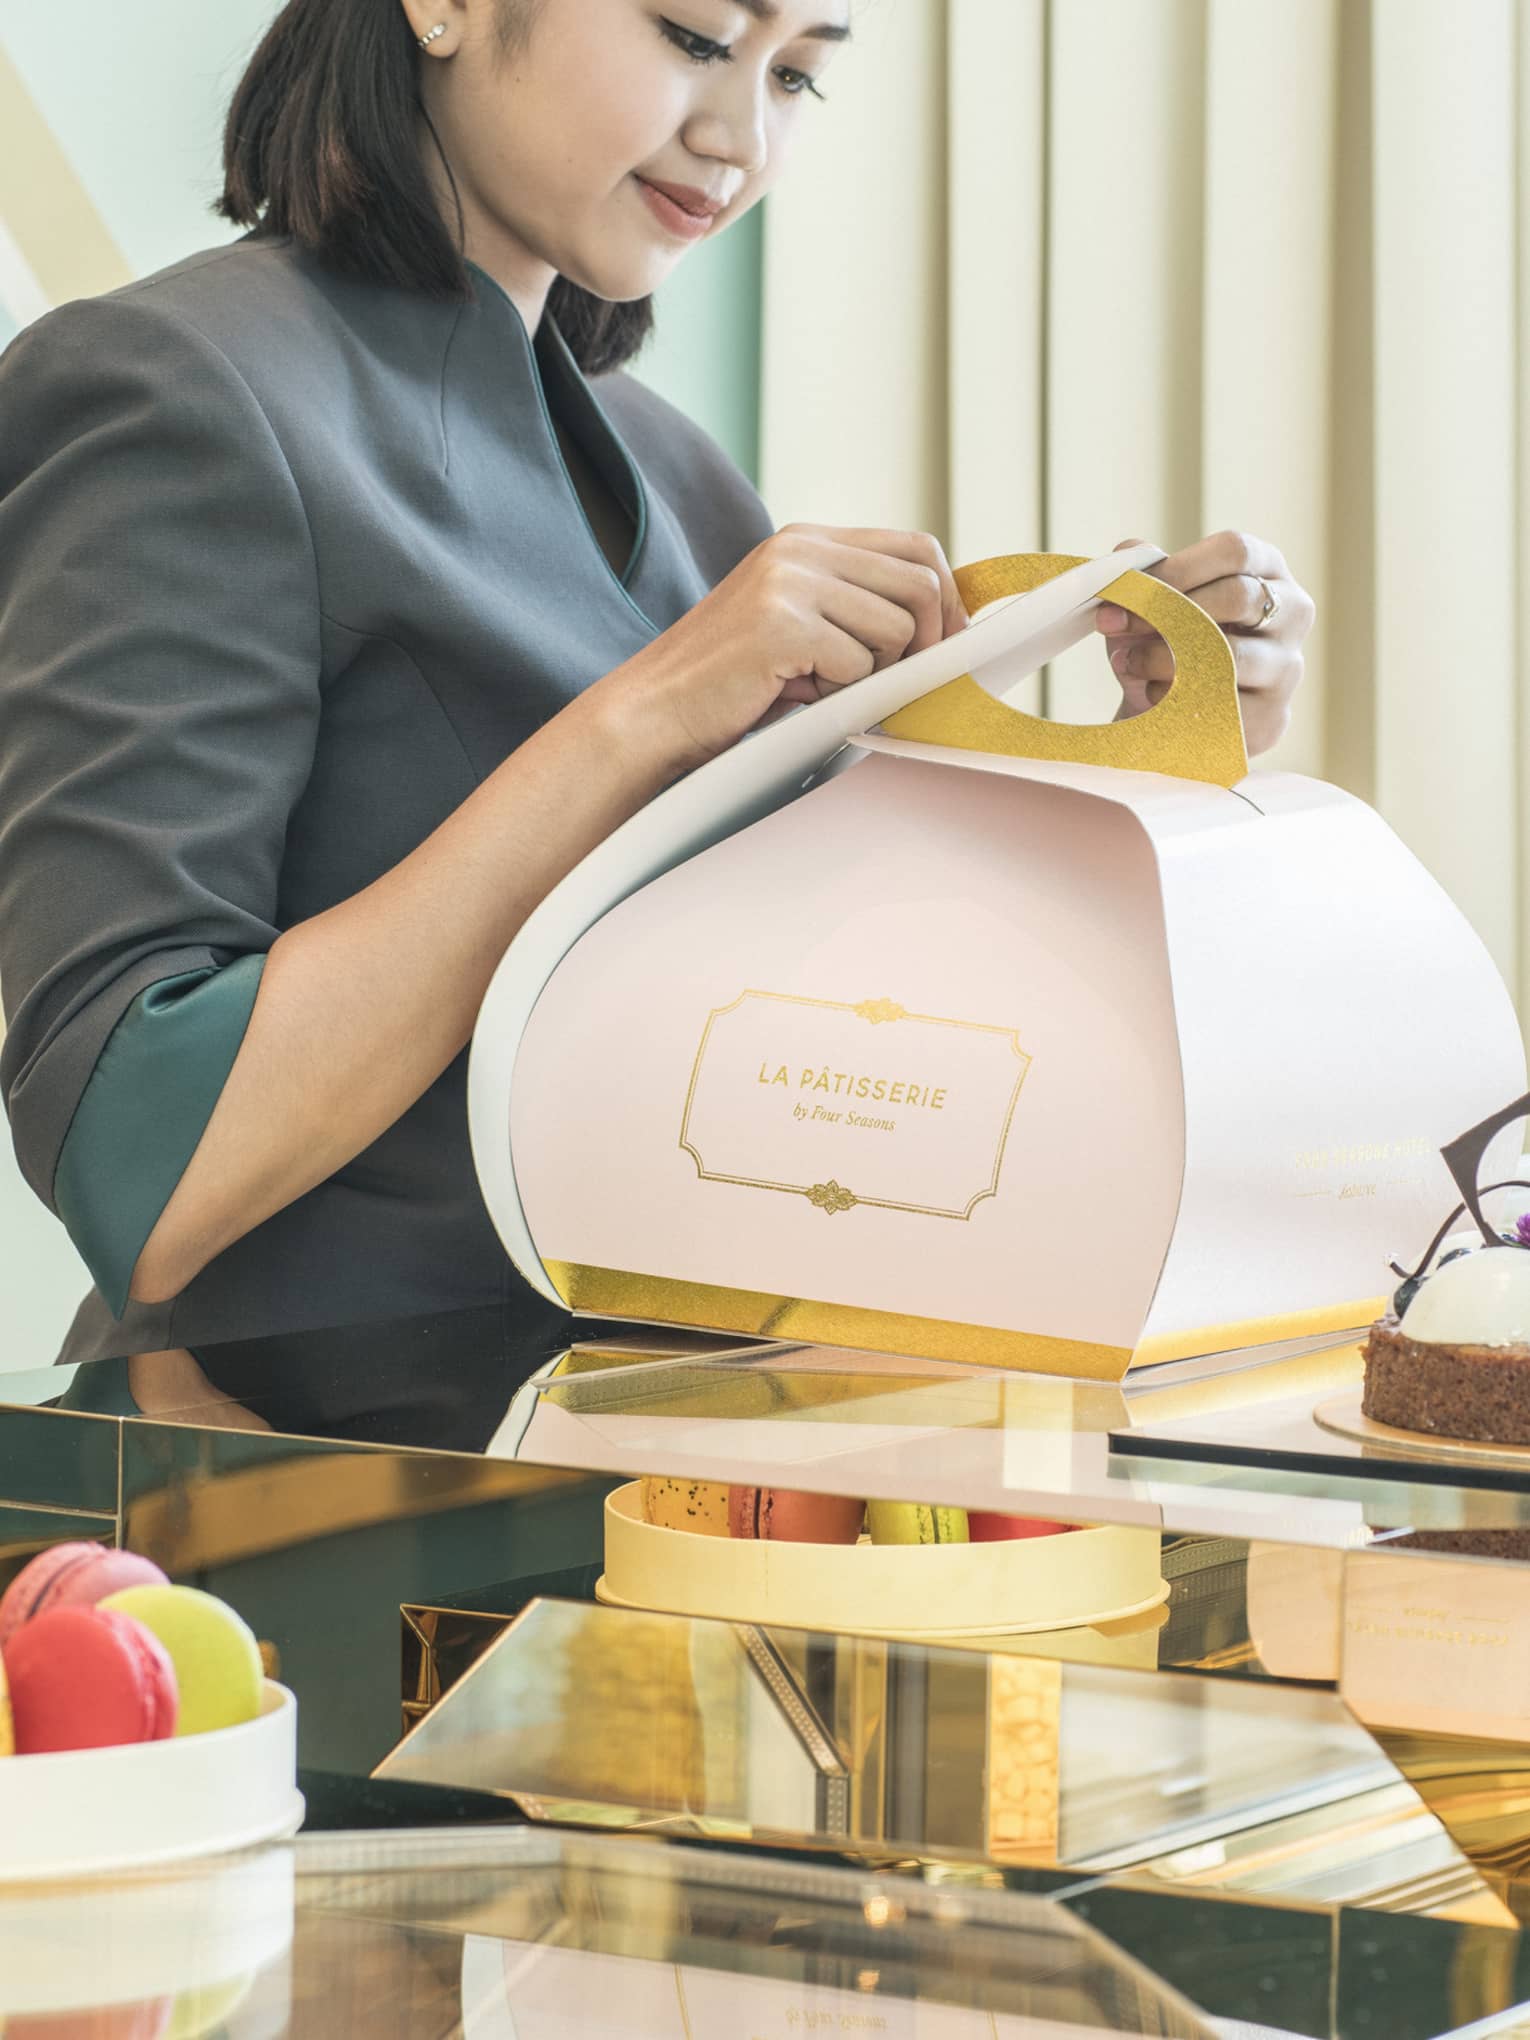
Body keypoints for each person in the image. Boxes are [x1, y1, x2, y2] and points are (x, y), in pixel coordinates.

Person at [0, 0, 1313, 1444]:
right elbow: (141, 1166)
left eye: (798, 74)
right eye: (693, 37)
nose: (739, 138)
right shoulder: (173, 389)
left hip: (661, 1477)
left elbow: (840, 1049)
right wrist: (641, 719)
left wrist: (1162, 752)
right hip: (301, 1498)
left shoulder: (676, 476)